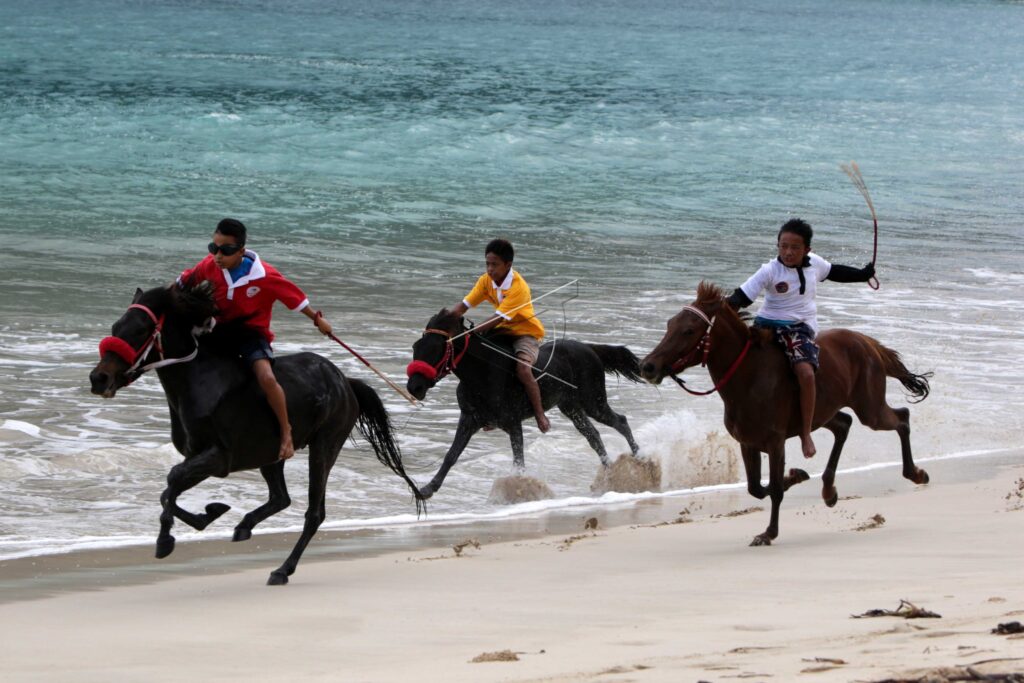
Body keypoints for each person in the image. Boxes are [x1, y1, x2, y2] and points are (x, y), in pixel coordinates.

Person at [178, 218, 332, 460]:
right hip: (218, 330)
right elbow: (183, 283)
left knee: (266, 377)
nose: (218, 256)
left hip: (252, 334)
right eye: (213, 248)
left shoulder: (265, 275)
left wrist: (317, 319)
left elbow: (294, 298)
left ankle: (285, 431)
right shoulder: (209, 265)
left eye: (225, 250)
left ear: (241, 251)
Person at [725, 218, 874, 459]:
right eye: (783, 246)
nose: (788, 252)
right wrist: (719, 310)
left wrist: (862, 275)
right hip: (766, 325)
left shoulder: (814, 264)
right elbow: (742, 296)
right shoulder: (770, 270)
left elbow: (834, 271)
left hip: (799, 328)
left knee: (805, 371)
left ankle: (805, 432)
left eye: (794, 247)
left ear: (807, 250)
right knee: (738, 363)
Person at [450, 239, 550, 432]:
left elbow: (495, 319)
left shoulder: (518, 287)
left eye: (494, 265)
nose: (489, 269)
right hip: (502, 330)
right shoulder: (485, 281)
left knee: (522, 369)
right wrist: (443, 322)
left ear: (508, 265)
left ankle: (539, 414)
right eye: (487, 263)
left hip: (524, 333)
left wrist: (467, 333)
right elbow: (463, 306)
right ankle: (490, 413)